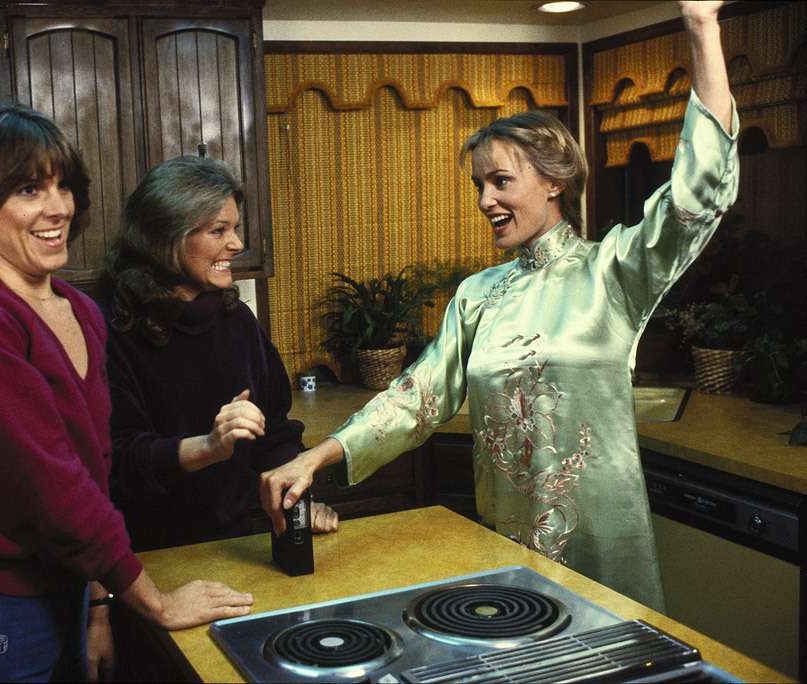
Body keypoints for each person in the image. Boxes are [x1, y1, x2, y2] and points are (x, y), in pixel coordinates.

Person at [261, 0, 736, 612]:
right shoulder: (477, 295)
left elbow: (697, 191)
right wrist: (319, 456)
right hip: (507, 552)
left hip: (602, 551)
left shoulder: (613, 271)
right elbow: (417, 398)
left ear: (554, 181)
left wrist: (702, 26)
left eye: (500, 181)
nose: (484, 199)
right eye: (478, 186)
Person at [0, 102, 253, 682]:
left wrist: (97, 602)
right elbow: (47, 486)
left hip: (69, 591)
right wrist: (154, 601)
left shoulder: (79, 310)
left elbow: (94, 475)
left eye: (62, 185)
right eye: (26, 189)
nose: (57, 207)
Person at [97, 155, 338, 553]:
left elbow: (273, 431)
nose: (238, 244)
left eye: (235, 228)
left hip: (233, 542)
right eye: (218, 230)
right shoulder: (107, 328)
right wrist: (208, 447)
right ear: (165, 238)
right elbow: (115, 463)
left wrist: (294, 495)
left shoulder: (237, 320)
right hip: (144, 556)